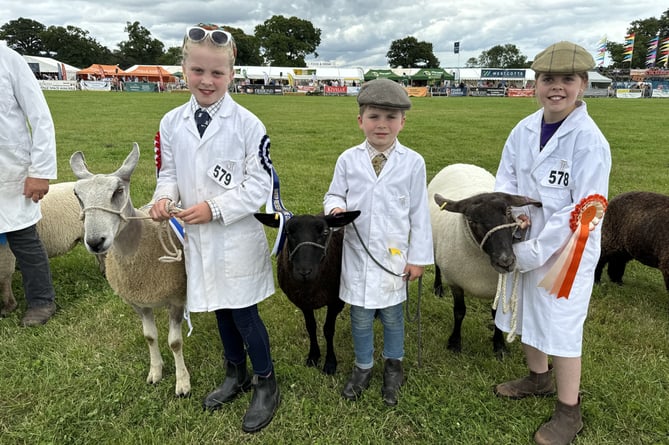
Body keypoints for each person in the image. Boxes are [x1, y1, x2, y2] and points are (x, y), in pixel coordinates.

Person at [148, 24, 279, 433]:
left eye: (217, 73)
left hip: (235, 237)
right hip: (198, 237)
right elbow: (168, 172)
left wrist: (216, 208)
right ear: (182, 69)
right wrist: (165, 199)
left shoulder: (248, 124)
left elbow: (260, 183)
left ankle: (266, 382)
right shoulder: (172, 121)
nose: (207, 81)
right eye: (198, 70)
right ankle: (235, 373)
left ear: (231, 74)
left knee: (243, 312)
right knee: (218, 308)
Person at [492, 41, 611, 445]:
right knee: (527, 311)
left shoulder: (589, 141)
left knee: (561, 326)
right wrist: (513, 213)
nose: (556, 87)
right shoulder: (523, 129)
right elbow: (505, 179)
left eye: (567, 79)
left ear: (583, 85)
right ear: (536, 84)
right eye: (547, 79)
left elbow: (582, 208)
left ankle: (568, 411)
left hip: (567, 250)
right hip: (524, 236)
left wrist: (535, 250)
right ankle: (537, 378)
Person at [324, 78, 433, 406]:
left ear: (403, 121)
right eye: (374, 117)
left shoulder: (413, 163)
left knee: (391, 315)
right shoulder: (348, 160)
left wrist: (418, 258)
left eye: (390, 117)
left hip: (394, 256)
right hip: (357, 254)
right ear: (360, 121)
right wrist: (335, 208)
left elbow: (419, 215)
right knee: (359, 315)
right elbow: (333, 194)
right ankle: (362, 366)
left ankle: (393, 365)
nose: (381, 125)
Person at [0, 44, 58, 326]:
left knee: (24, 239)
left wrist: (41, 171)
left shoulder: (9, 60)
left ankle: (41, 301)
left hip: (9, 172)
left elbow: (41, 118)